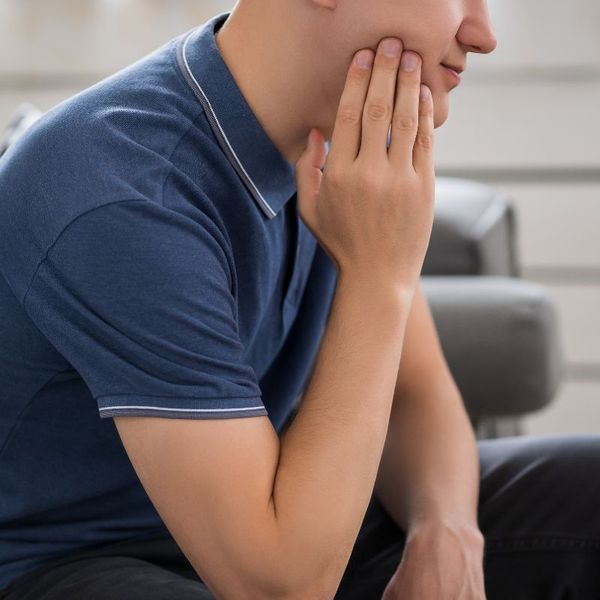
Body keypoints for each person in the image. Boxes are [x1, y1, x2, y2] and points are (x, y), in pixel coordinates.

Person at [0, 1, 599, 598]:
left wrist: (446, 532)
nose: (484, 34)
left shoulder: (344, 138)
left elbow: (414, 392)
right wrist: (377, 276)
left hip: (295, 518)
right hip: (70, 560)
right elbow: (281, 587)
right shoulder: (122, 192)